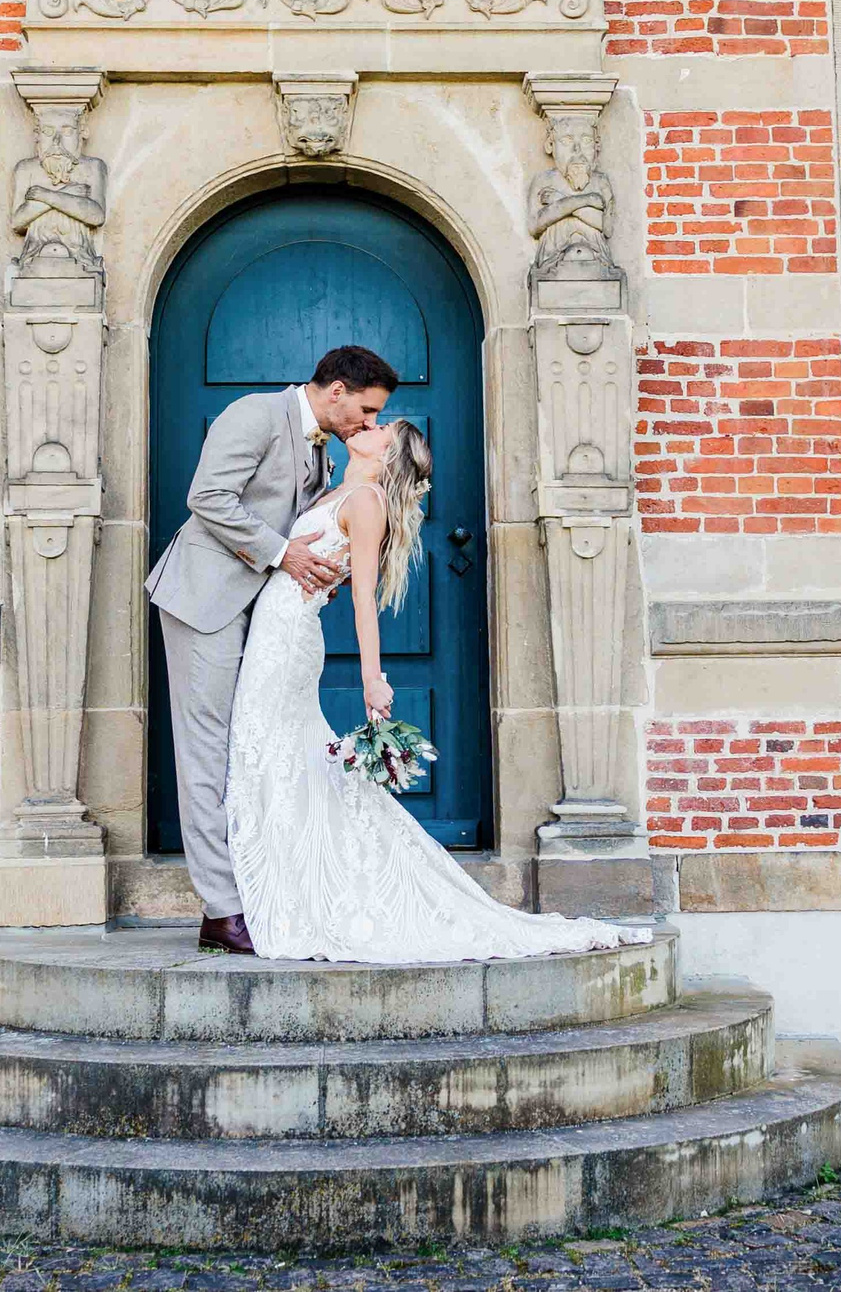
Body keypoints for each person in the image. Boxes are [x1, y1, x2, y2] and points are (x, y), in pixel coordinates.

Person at [225, 417, 652, 962]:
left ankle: (301, 890)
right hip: (276, 627)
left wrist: (372, 679)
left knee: (276, 750)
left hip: (286, 639)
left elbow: (361, 598)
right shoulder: (339, 486)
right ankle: (286, 878)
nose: (368, 426)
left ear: (387, 456)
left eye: (383, 430)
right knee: (275, 752)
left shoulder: (367, 502)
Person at [145, 344, 391, 955]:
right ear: (335, 390)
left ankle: (253, 888)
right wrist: (285, 555)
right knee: (206, 752)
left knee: (245, 747)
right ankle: (221, 911)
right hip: (203, 601)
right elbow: (207, 499)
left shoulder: (324, 452)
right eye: (364, 411)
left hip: (257, 613)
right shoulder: (255, 415)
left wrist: (310, 573)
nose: (368, 424)